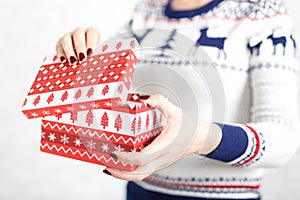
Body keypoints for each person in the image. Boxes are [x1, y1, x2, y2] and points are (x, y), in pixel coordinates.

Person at [55, 0, 300, 199]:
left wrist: (198, 138)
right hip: (140, 193)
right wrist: (82, 50)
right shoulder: (147, 11)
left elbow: (284, 138)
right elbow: (103, 92)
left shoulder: (261, 13)